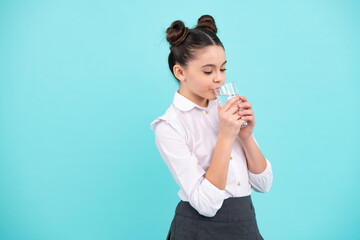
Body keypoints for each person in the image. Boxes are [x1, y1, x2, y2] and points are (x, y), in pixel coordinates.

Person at [150, 14, 273, 240]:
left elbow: (264, 184)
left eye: (223, 69)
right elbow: (206, 204)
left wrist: (245, 136)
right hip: (198, 230)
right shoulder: (169, 126)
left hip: (245, 224)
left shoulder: (226, 110)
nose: (219, 79)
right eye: (208, 71)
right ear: (180, 72)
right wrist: (226, 137)